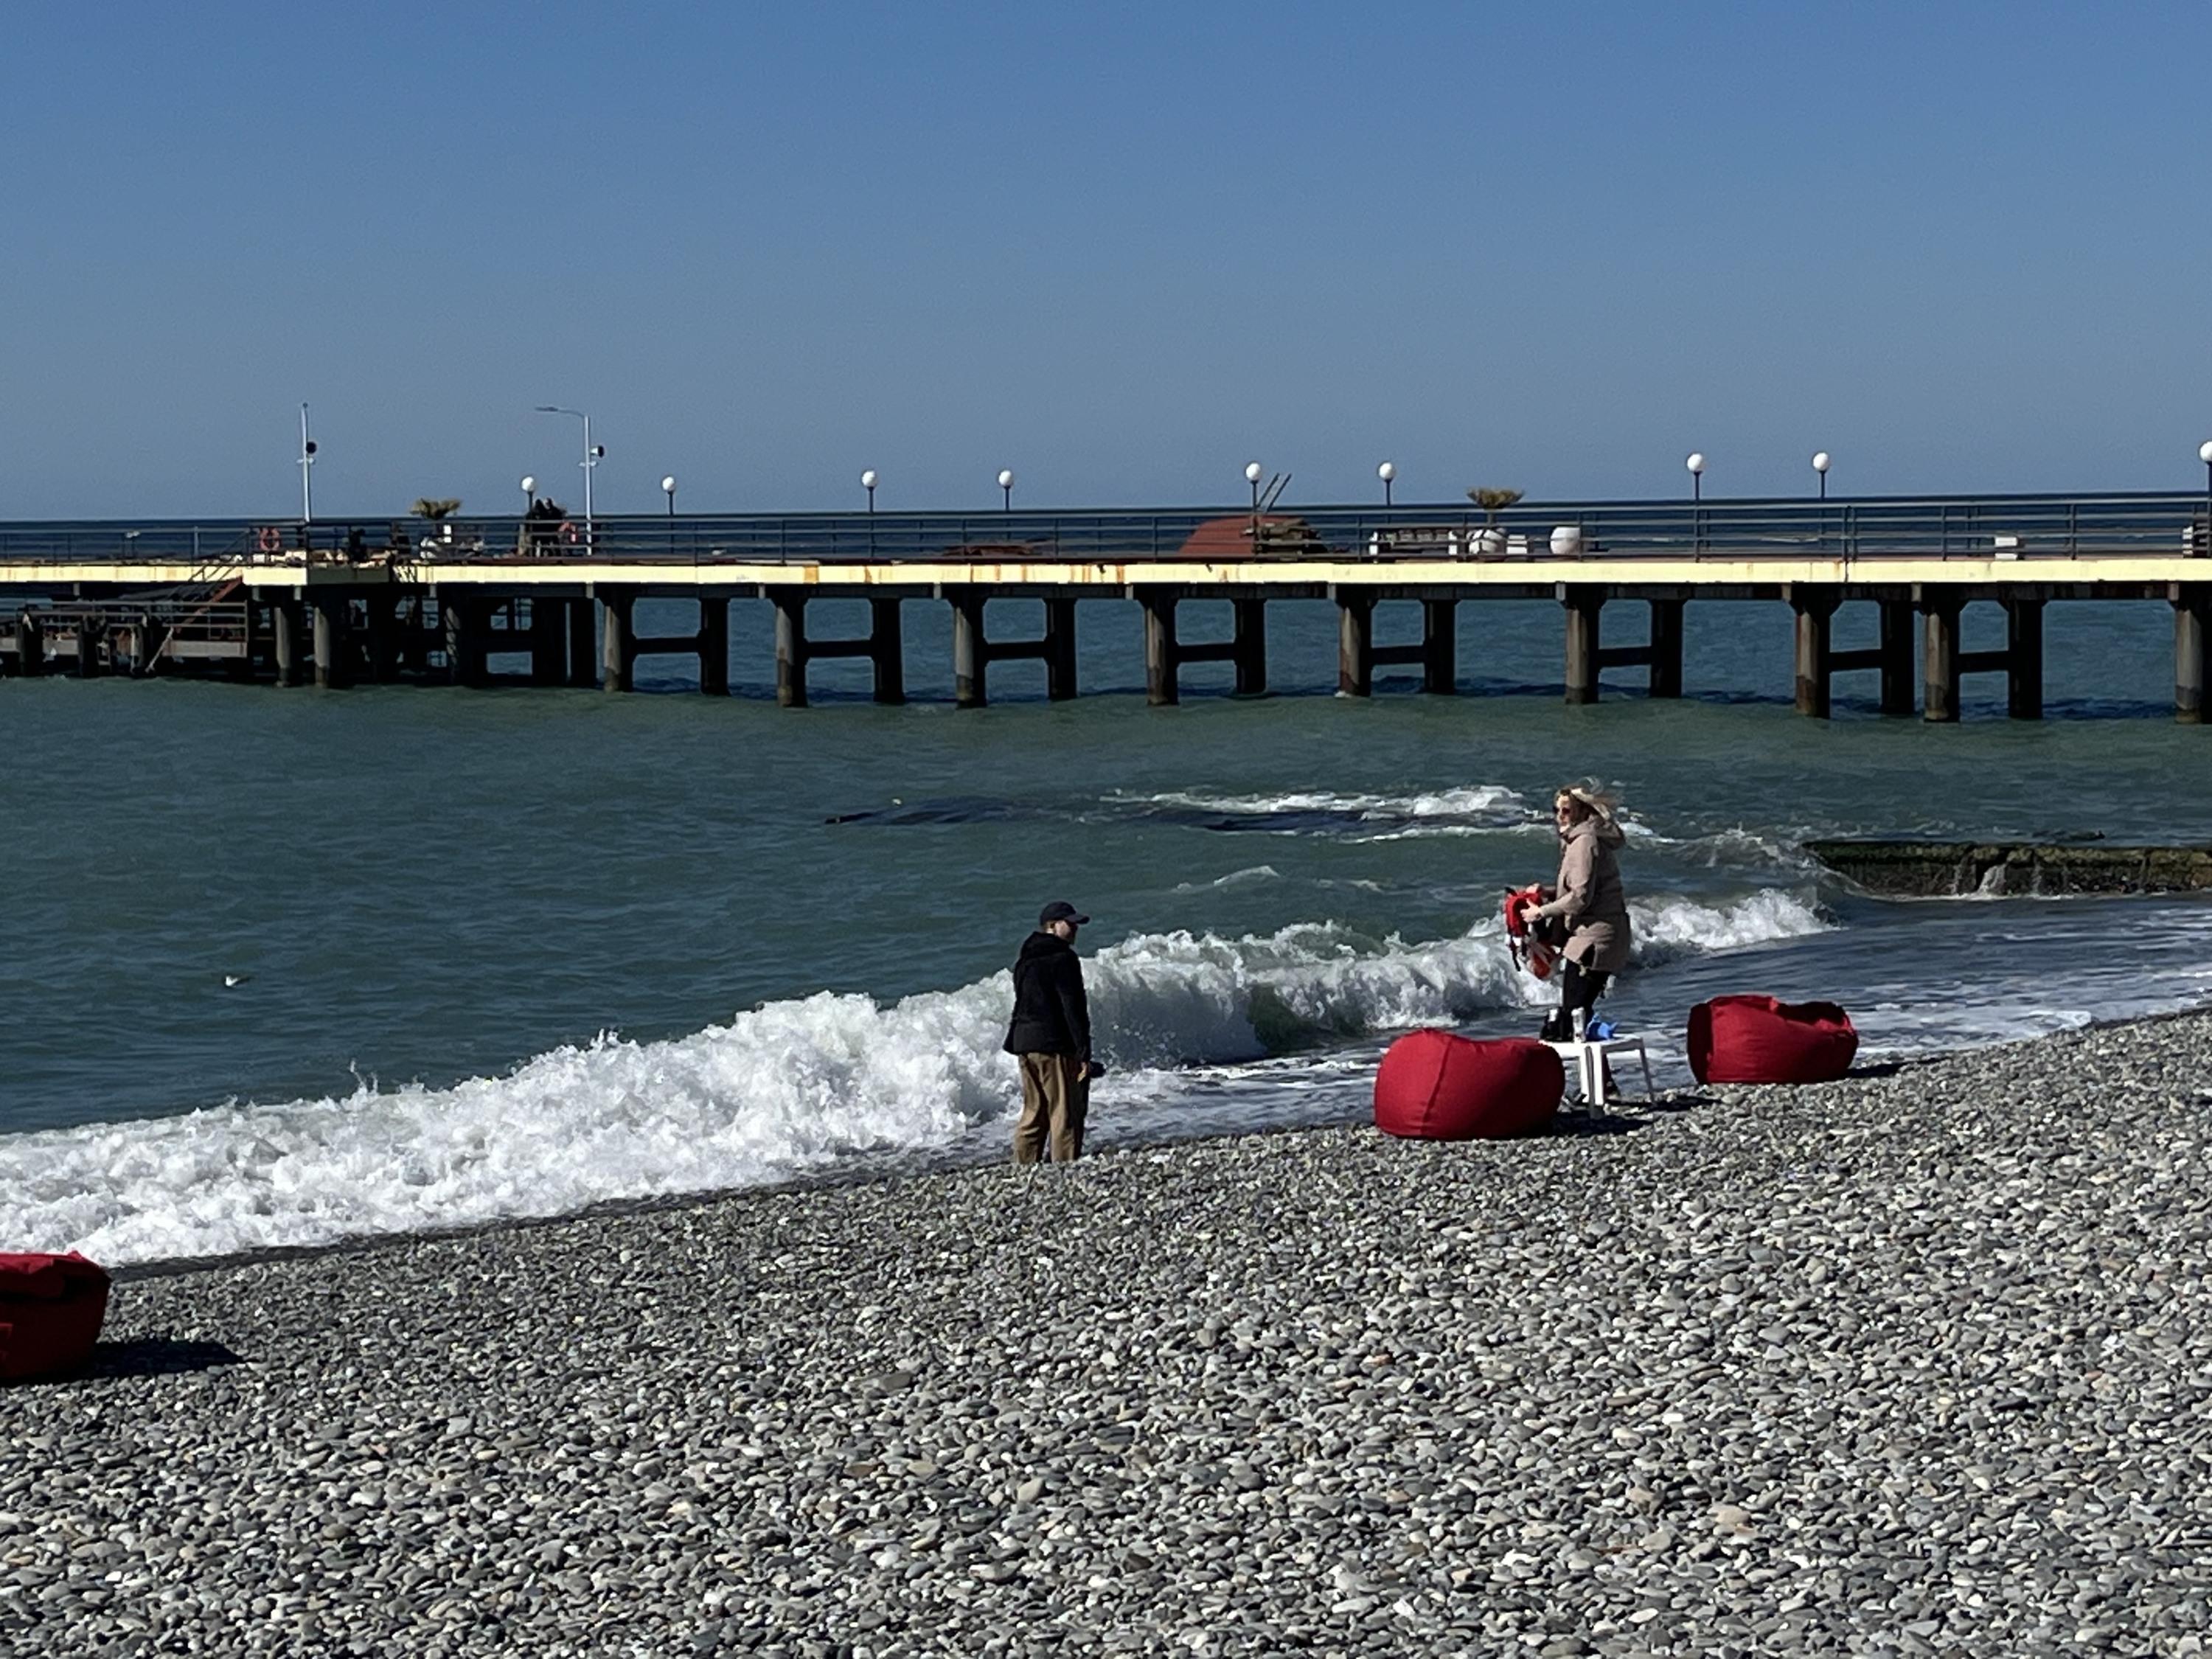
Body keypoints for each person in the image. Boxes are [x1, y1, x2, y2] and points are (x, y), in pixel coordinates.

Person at [1526, 785, 1632, 1043]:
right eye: (1556, 810)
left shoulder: (1584, 842)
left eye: (1566, 810)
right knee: (1578, 1014)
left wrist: (1542, 912)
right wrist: (1548, 892)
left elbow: (1581, 898)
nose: (1560, 816)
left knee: (1574, 1013)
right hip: (1596, 937)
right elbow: (1583, 888)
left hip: (1595, 940)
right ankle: (1603, 1082)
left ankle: (1600, 1080)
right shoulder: (1580, 840)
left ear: (1582, 812)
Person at [1003, 900, 1099, 1164]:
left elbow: (1021, 1001)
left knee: (1034, 1111)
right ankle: (1064, 1170)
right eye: (1070, 924)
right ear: (1053, 926)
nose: (1075, 929)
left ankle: (1023, 1166)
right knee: (1064, 1112)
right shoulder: (1063, 959)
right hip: (1053, 1043)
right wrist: (1083, 1052)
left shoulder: (1025, 960)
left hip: (1024, 1042)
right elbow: (1073, 1007)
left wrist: (1016, 1041)